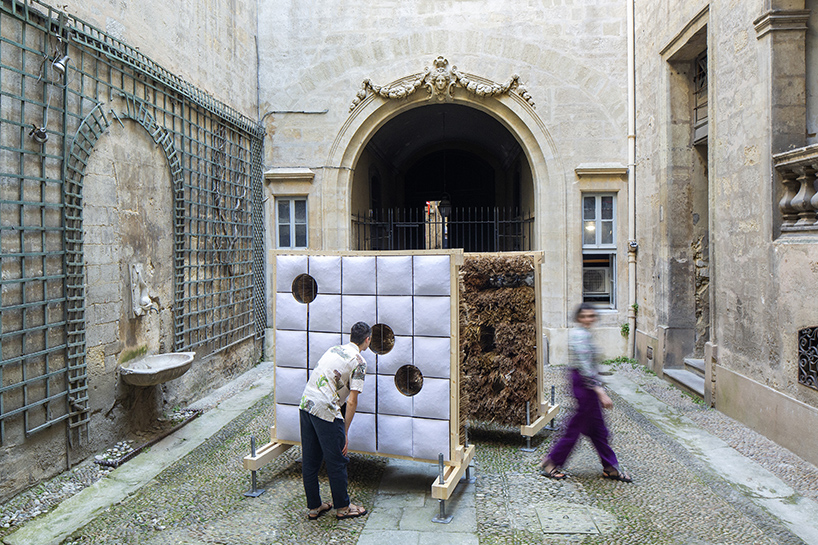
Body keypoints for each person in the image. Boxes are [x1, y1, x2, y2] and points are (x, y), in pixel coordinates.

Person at [538, 303, 632, 482]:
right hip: (583, 385)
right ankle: (551, 462)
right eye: (584, 316)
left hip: (587, 384)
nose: (588, 319)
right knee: (575, 428)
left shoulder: (586, 334)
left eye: (591, 316)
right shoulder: (578, 336)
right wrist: (600, 391)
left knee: (598, 429)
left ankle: (610, 467)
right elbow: (585, 367)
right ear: (579, 318)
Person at [298, 321, 372, 520]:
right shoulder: (360, 362)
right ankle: (343, 507)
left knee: (311, 460)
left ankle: (315, 507)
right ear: (367, 340)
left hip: (306, 402)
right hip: (326, 409)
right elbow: (352, 401)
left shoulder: (334, 349)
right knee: (337, 460)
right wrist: (345, 432)